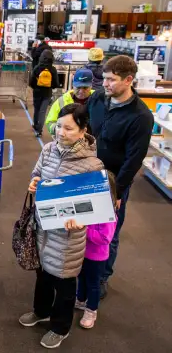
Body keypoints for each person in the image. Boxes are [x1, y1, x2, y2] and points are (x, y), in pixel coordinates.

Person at [20, 103, 104, 349]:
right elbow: (36, 174)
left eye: (68, 128)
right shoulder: (48, 150)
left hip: (69, 236)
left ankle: (60, 327)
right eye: (58, 126)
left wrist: (81, 222)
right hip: (42, 228)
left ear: (82, 130)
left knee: (64, 282)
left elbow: (95, 206)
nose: (61, 132)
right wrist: (34, 183)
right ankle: (41, 311)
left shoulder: (92, 165)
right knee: (43, 274)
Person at [85, 55, 153, 298]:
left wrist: (118, 191)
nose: (105, 84)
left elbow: (134, 159)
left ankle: (102, 276)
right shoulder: (97, 100)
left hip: (113, 183)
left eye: (111, 80)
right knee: (82, 224)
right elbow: (85, 127)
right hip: (86, 175)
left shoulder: (141, 117)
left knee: (107, 234)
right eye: (104, 78)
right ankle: (84, 271)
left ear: (129, 80)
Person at [75, 171, 117, 329]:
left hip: (97, 257)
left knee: (93, 284)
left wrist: (84, 230)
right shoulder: (88, 206)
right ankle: (80, 299)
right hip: (83, 252)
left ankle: (91, 310)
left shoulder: (109, 213)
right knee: (82, 278)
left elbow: (105, 238)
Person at [45, 68, 94, 137]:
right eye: (78, 87)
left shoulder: (99, 100)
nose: (81, 91)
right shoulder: (61, 101)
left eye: (85, 88)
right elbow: (50, 122)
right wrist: (59, 130)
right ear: (73, 85)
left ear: (91, 86)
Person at [30, 49, 59, 137]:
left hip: (37, 93)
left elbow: (31, 82)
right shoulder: (53, 69)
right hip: (47, 93)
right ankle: (40, 130)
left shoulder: (37, 68)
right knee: (43, 111)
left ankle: (35, 125)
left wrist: (36, 87)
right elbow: (55, 83)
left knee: (37, 110)